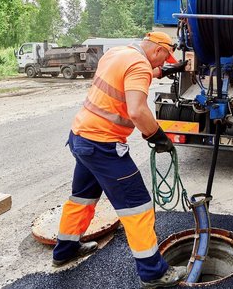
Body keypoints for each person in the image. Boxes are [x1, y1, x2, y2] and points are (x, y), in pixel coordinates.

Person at [52, 31, 188, 289]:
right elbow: (137, 110)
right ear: (157, 50)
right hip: (103, 145)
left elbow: (127, 75)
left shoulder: (118, 53)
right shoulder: (139, 66)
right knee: (138, 207)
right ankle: (153, 273)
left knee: (82, 198)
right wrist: (157, 135)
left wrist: (165, 71)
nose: (161, 64)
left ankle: (65, 250)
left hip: (81, 137)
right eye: (163, 60)